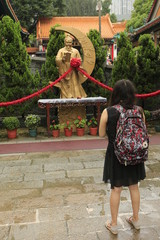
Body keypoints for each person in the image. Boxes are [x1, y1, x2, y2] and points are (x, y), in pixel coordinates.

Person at [99, 79, 146, 235]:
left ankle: (113, 224)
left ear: (115, 93)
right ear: (132, 94)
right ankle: (136, 220)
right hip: (136, 153)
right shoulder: (139, 110)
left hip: (116, 154)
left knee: (116, 189)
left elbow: (100, 134)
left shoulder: (109, 111)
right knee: (134, 186)